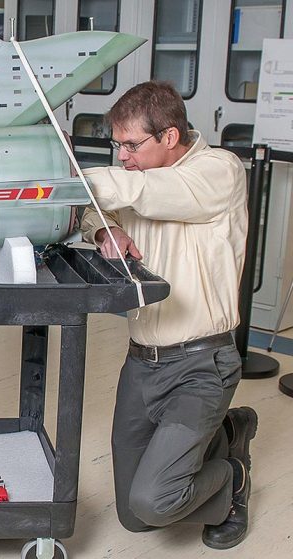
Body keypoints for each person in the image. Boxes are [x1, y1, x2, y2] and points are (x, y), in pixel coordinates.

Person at [80, 81, 258, 550]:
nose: (122, 156)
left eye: (131, 144)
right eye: (116, 145)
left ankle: (231, 478)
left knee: (156, 501)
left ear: (171, 137)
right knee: (134, 518)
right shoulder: (143, 175)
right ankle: (227, 431)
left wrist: (73, 181)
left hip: (202, 365)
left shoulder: (218, 171)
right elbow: (91, 209)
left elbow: (148, 191)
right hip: (142, 363)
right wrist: (104, 229)